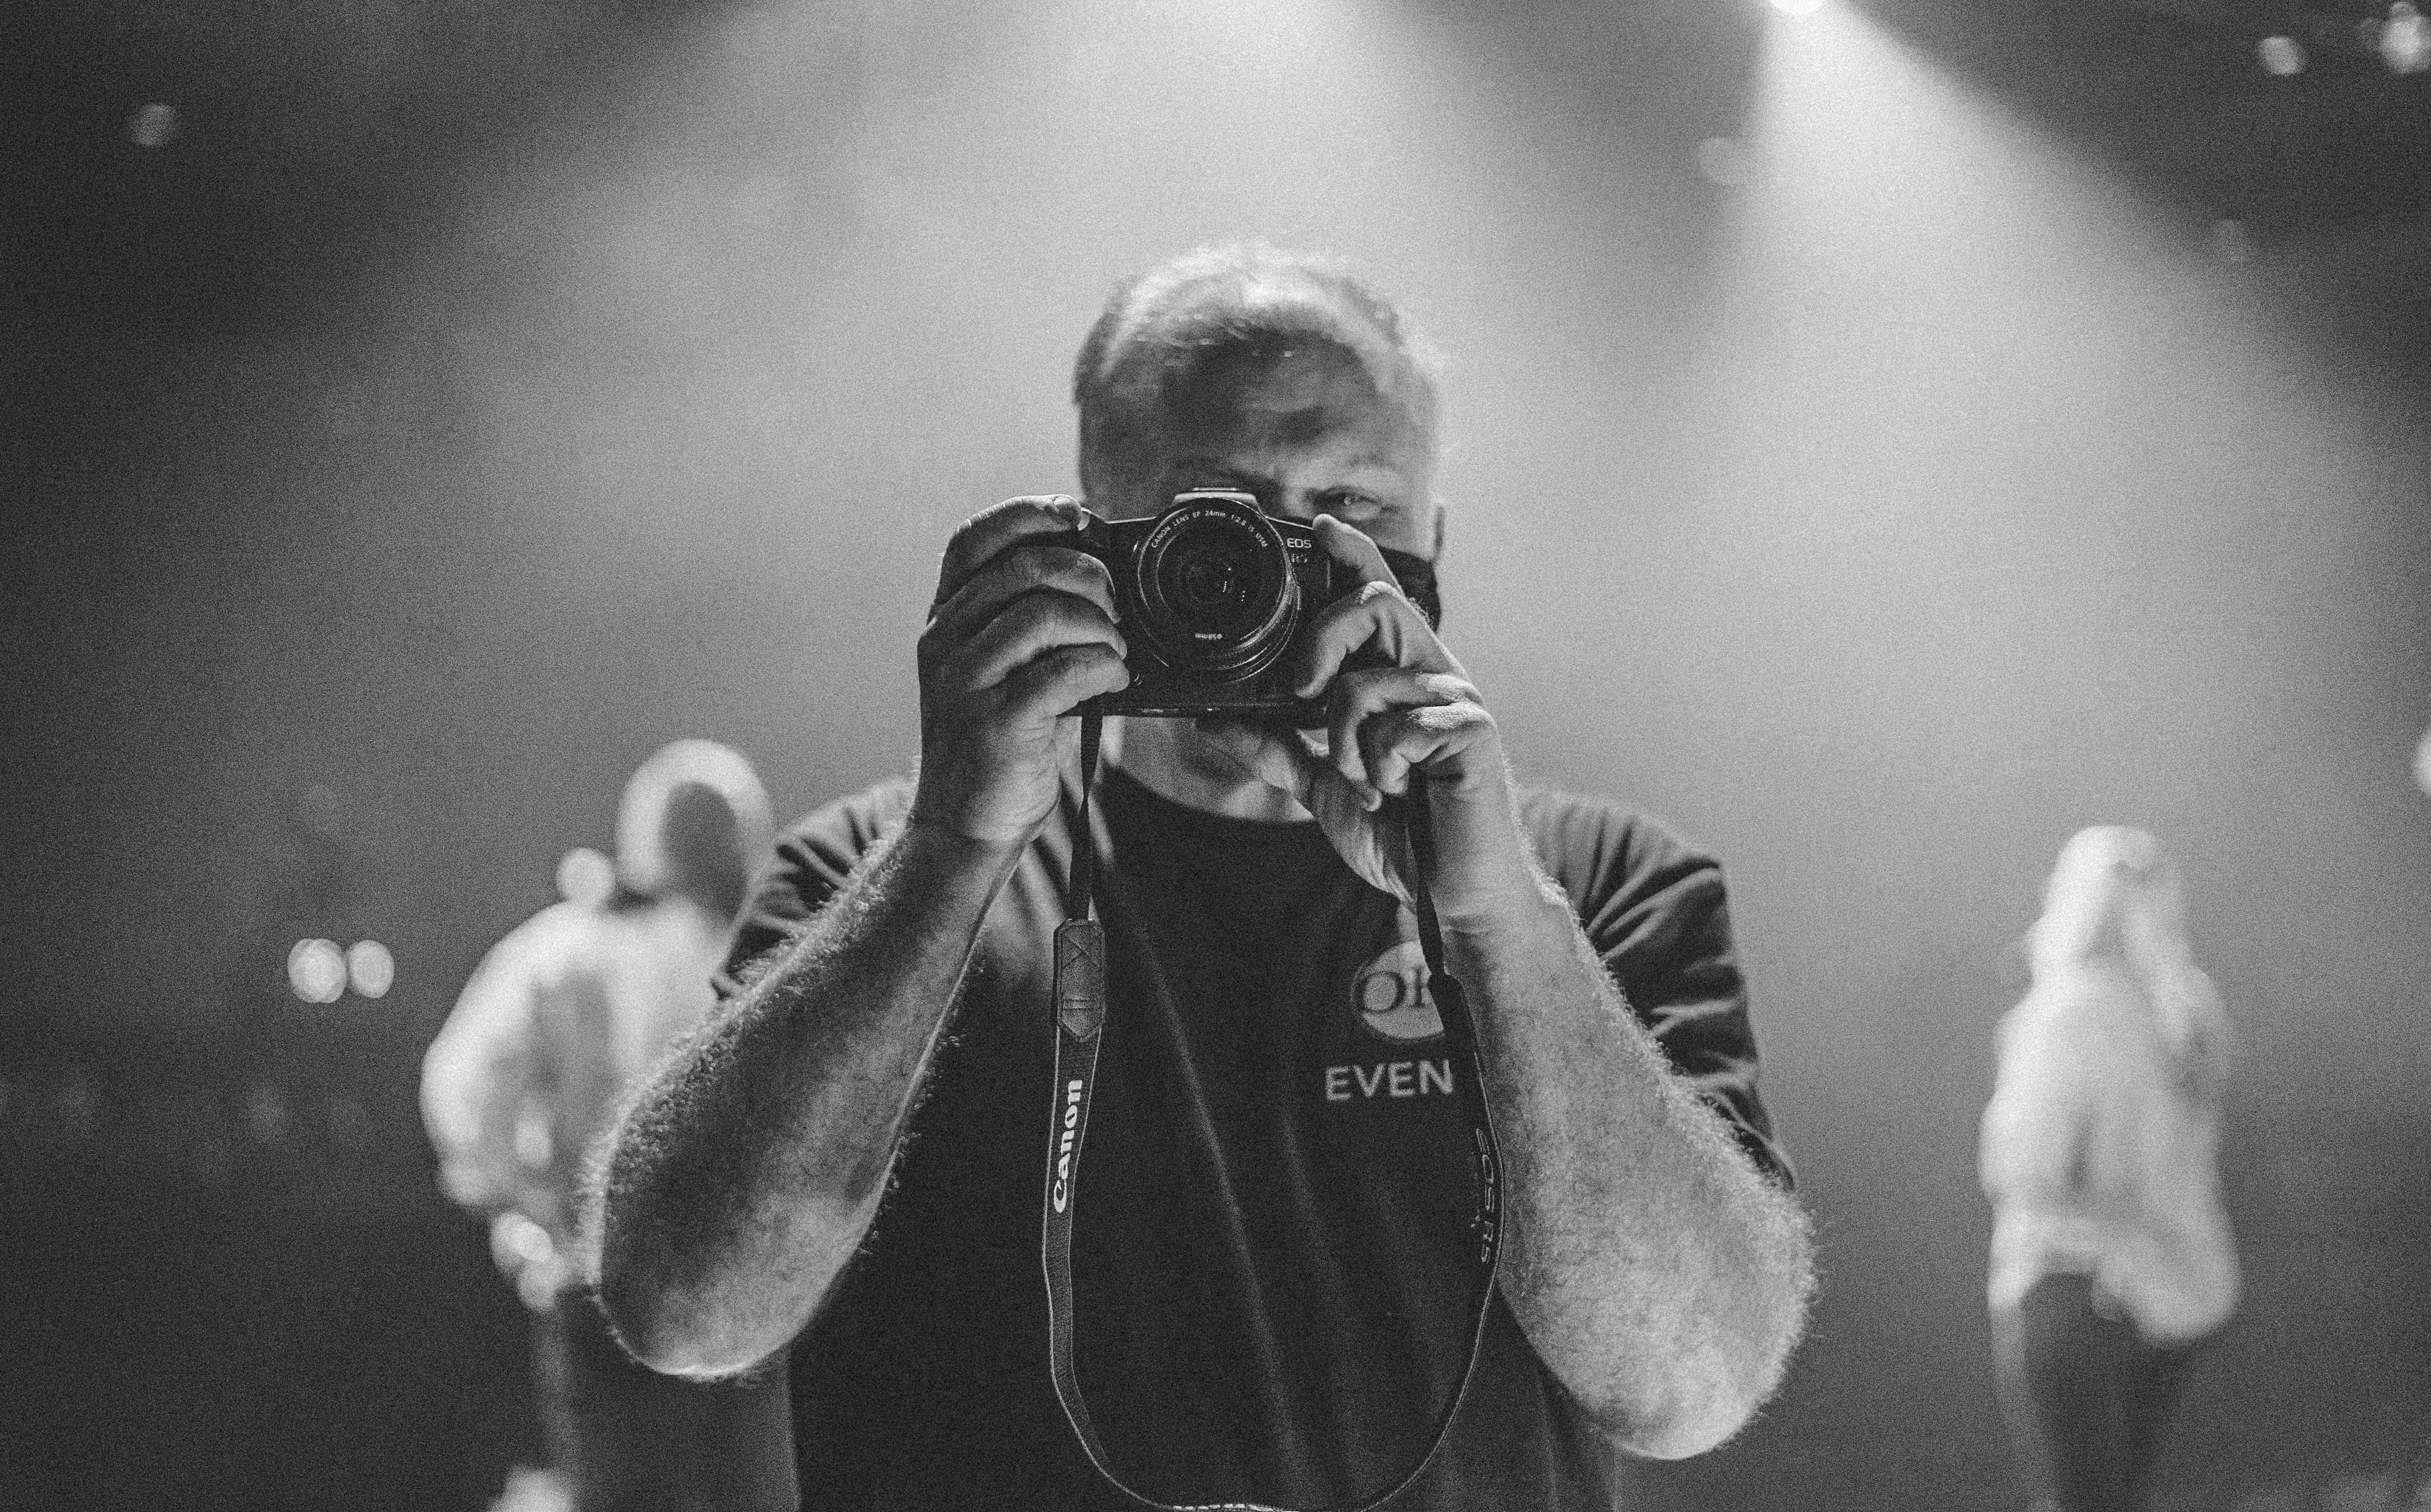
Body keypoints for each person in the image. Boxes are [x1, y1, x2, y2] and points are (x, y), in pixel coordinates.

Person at [593, 244, 1816, 1510]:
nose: (1295, 569)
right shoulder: (882, 877)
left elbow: (1690, 1385)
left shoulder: (1595, 888)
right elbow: (687, 1311)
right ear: (1095, 531)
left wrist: (1496, 919)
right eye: (1225, 521)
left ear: (1432, 539)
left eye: (1358, 514)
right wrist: (952, 851)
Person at [422, 739, 798, 1512]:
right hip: (746, 1302)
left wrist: (525, 1215)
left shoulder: (567, 948)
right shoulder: (779, 958)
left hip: (604, 1288)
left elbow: (460, 1092)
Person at [1980, 825, 2241, 1512]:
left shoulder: (2067, 1010)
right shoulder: (2188, 1016)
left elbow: (2019, 1168)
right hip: (2176, 1299)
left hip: (2074, 1289)